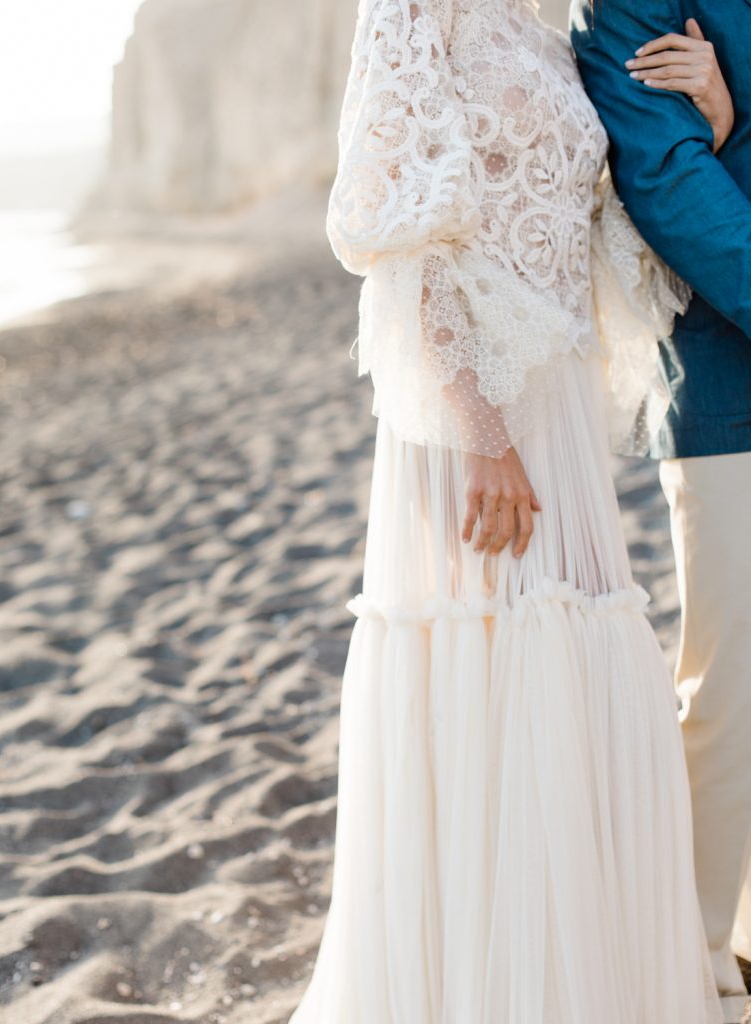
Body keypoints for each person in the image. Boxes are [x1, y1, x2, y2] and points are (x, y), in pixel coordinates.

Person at [288, 1, 727, 1020]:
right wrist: (481, 433)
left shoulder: (541, 24)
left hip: (555, 394)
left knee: (569, 674)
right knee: (489, 676)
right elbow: (398, 230)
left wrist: (708, 119)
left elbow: (595, 221)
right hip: (466, 405)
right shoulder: (412, 9)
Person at [571, 5, 751, 1021]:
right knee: (732, 686)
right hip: (731, 389)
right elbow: (668, 177)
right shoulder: (622, 6)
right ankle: (698, 963)